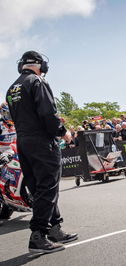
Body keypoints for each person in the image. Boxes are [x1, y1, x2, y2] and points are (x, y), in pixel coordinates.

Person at [6, 51, 78, 253]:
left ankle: (54, 228)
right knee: (48, 187)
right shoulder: (38, 81)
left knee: (39, 188)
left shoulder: (12, 88)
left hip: (23, 142)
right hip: (42, 142)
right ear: (39, 65)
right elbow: (48, 113)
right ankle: (38, 236)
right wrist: (63, 132)